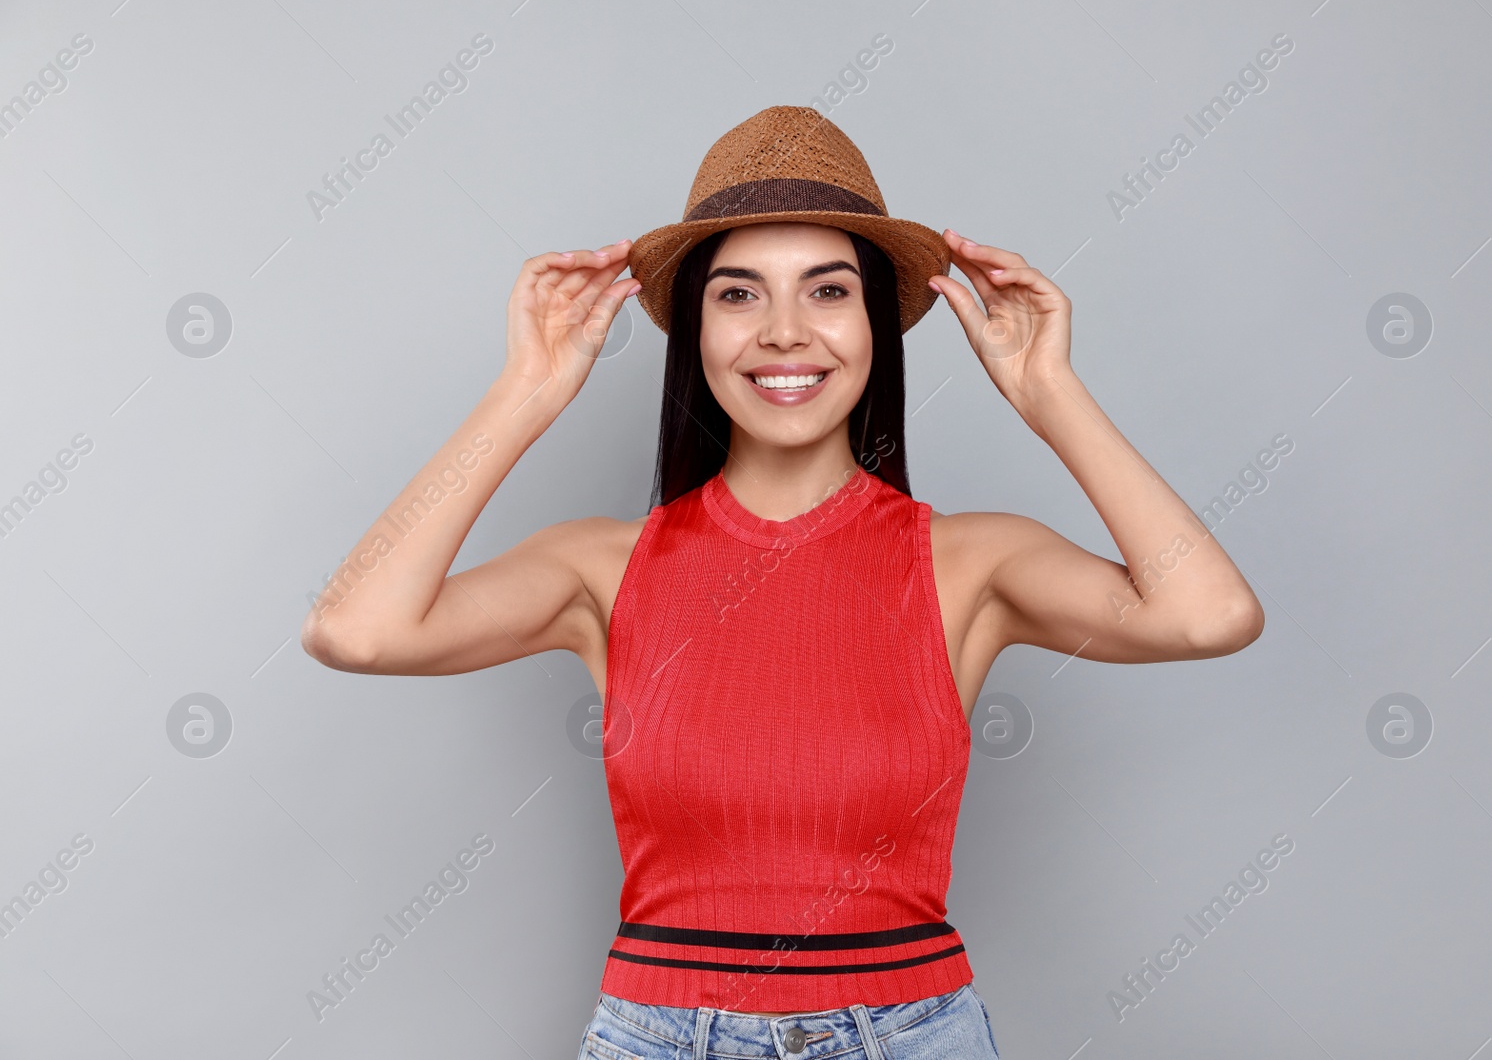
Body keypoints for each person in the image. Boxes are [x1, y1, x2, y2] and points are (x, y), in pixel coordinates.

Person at [301, 106, 1263, 1060]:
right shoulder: (604, 566)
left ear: (877, 321)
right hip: (660, 1037)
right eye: (739, 294)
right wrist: (525, 391)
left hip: (909, 1034)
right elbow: (357, 630)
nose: (786, 332)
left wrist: (1050, 393)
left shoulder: (970, 562)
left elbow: (1209, 611)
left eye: (828, 290)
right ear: (695, 327)